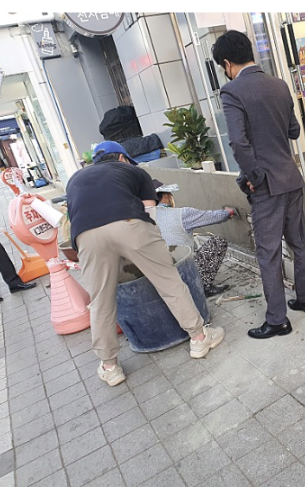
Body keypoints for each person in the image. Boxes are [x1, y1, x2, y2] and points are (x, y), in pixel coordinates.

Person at [66, 140, 225, 387]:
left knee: (100, 302)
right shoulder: (133, 171)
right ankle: (199, 338)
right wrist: (151, 253)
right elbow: (150, 215)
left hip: (86, 237)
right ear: (121, 158)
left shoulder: (75, 179)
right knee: (169, 282)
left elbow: (75, 217)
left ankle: (110, 367)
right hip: (130, 224)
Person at [212, 30, 305, 339]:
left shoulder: (232, 92)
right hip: (291, 179)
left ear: (227, 63)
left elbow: (237, 142)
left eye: (223, 67)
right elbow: (294, 131)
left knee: (268, 254)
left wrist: (256, 178)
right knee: (299, 243)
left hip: (267, 186)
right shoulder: (280, 85)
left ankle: (277, 320)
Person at [152, 179, 237, 297]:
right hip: (183, 272)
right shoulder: (181, 214)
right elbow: (211, 217)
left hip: (163, 278)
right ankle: (203, 287)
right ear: (166, 195)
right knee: (218, 242)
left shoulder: (145, 218)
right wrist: (228, 213)